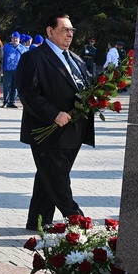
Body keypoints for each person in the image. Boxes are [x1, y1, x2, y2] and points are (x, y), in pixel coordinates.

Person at [17, 13, 94, 231]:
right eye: (64, 30)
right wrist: (53, 114)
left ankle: (37, 221)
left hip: (74, 131)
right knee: (58, 178)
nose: (70, 34)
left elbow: (85, 87)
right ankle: (78, 221)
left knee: (48, 176)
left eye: (72, 30)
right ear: (50, 32)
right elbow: (28, 93)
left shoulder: (76, 59)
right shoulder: (34, 58)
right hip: (48, 130)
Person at [2, 31, 27, 108]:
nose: (15, 40)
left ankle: (12, 102)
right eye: (13, 38)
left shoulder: (23, 48)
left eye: (16, 38)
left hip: (18, 70)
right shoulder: (6, 47)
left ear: (19, 39)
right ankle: (5, 101)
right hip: (7, 70)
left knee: (15, 87)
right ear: (11, 39)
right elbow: (2, 57)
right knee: (7, 86)